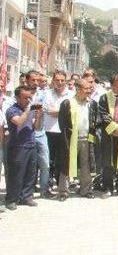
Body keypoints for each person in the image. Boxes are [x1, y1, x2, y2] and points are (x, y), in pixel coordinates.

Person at [58, 78, 98, 201]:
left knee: (86, 165)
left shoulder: (92, 103)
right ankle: (63, 191)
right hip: (71, 139)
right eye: (86, 89)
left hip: (86, 139)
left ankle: (86, 189)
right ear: (78, 89)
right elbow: (62, 123)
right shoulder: (67, 103)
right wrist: (66, 140)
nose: (89, 91)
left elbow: (94, 121)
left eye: (90, 89)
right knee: (66, 164)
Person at [4, 85, 41, 209]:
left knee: (31, 173)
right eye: (25, 98)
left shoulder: (28, 109)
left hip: (31, 144)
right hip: (18, 146)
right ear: (17, 97)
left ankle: (27, 197)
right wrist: (29, 110)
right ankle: (11, 199)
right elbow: (19, 122)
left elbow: (36, 127)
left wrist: (38, 114)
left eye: (30, 98)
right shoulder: (12, 110)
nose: (28, 100)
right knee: (16, 174)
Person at [42, 70, 71, 197]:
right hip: (49, 131)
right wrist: (61, 111)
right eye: (57, 80)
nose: (59, 83)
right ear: (53, 81)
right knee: (49, 161)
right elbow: (47, 109)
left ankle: (62, 188)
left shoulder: (71, 95)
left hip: (64, 132)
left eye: (62, 80)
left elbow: (70, 112)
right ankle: (47, 188)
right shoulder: (47, 94)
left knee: (63, 161)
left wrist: (57, 111)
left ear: (66, 81)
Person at [25, 70, 50, 199]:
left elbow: (45, 108)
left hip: (40, 133)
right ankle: (27, 191)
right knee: (29, 165)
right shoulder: (22, 95)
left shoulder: (43, 94)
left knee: (45, 163)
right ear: (27, 80)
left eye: (37, 81)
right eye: (33, 80)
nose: (35, 83)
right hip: (26, 135)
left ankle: (44, 189)